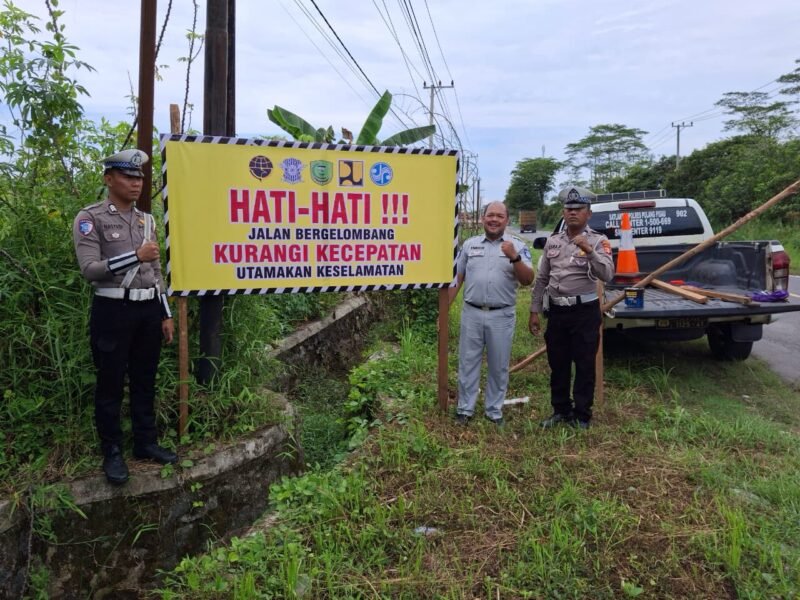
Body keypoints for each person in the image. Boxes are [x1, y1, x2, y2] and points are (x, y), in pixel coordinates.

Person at [73, 149, 178, 485]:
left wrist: (165, 314)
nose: (136, 183)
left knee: (146, 379)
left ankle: (146, 443)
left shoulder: (145, 220)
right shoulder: (91, 219)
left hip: (148, 311)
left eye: (139, 178)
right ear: (109, 179)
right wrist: (134, 256)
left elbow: (156, 271)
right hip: (113, 310)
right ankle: (113, 451)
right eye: (128, 177)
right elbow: (90, 271)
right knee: (111, 383)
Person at [529, 187, 615, 429]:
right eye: (569, 209)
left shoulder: (599, 241)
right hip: (557, 312)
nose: (573, 213)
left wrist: (589, 251)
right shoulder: (553, 242)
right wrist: (534, 310)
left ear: (588, 214)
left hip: (584, 312)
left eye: (578, 209)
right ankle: (560, 410)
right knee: (558, 363)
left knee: (585, 364)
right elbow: (542, 279)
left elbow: (607, 273)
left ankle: (582, 415)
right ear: (563, 213)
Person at [449, 201, 534, 426]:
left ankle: (493, 411)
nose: (494, 219)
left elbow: (528, 280)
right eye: (490, 215)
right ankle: (464, 410)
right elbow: (457, 279)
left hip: (501, 315)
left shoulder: (517, 245)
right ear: (483, 218)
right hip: (472, 313)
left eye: (499, 216)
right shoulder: (469, 245)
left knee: (498, 365)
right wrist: (444, 311)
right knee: (468, 362)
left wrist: (514, 257)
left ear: (507, 220)